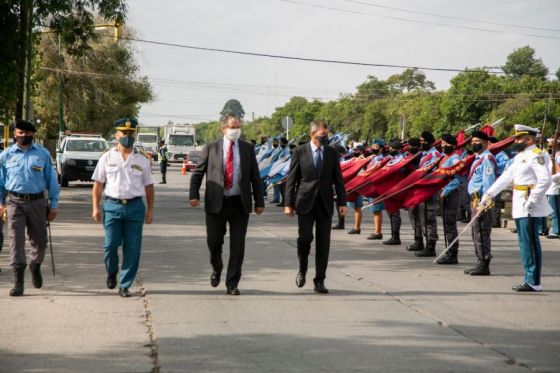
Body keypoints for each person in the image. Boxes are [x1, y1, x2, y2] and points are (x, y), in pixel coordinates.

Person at [189, 115, 264, 296]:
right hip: (216, 203)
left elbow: (255, 176)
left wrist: (259, 201)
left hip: (239, 204)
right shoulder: (211, 147)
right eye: (232, 127)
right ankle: (217, 267)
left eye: (238, 127)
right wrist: (194, 195)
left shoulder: (247, 148)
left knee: (238, 246)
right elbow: (198, 173)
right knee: (214, 242)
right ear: (224, 128)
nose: (235, 130)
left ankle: (232, 283)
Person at [480, 125, 551, 292]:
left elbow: (545, 180)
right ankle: (529, 277)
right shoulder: (520, 156)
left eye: (519, 138)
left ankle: (533, 281)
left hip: (529, 204)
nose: (516, 141)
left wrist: (532, 200)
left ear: (528, 139)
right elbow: (505, 178)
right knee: (524, 243)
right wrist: (488, 194)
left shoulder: (536, 155)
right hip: (520, 204)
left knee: (530, 243)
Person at [92, 118, 154, 298]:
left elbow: (149, 186)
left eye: (130, 133)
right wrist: (95, 207)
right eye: (123, 133)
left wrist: (150, 210)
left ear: (134, 134)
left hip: (135, 207)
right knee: (110, 245)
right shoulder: (107, 157)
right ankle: (112, 271)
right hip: (112, 206)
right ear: (116, 134)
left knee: (132, 248)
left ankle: (125, 284)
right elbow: (98, 184)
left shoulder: (142, 159)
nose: (127, 136)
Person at [285, 120, 346, 294]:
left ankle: (319, 280)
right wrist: (288, 203)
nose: (326, 138)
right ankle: (302, 269)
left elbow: (338, 179)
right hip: (305, 202)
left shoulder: (332, 153)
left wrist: (342, 202)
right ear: (313, 134)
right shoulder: (299, 151)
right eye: (323, 135)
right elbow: (292, 179)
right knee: (304, 239)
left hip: (325, 204)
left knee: (323, 243)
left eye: (327, 134)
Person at [0, 120, 60, 296]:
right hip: (14, 202)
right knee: (16, 241)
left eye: (27, 133)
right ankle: (18, 282)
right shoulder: (6, 155)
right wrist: (1, 204)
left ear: (32, 134)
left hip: (37, 202)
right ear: (15, 134)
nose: (23, 136)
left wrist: (54, 205)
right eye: (20, 133)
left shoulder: (42, 154)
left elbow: (52, 181)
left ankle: (35, 265)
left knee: (40, 242)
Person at [464, 130, 497, 276]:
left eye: (477, 141)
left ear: (486, 143)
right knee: (476, 232)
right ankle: (479, 261)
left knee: (482, 232)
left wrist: (484, 202)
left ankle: (484, 263)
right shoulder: (478, 157)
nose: (474, 143)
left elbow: (488, 182)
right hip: (474, 199)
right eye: (473, 141)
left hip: (481, 200)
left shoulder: (487, 159)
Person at [436, 134, 464, 265]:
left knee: (450, 223)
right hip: (443, 193)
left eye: (445, 144)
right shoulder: (444, 158)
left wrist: (446, 190)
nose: (443, 146)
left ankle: (453, 253)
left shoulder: (455, 159)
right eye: (442, 143)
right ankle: (449, 251)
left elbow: (458, 179)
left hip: (451, 194)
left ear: (452, 145)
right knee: (446, 223)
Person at [414, 131, 441, 257]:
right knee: (423, 217)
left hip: (430, 189)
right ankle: (426, 244)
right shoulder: (424, 154)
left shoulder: (435, 154)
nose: (421, 143)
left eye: (424, 142)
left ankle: (431, 246)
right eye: (420, 141)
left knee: (429, 218)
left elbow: (434, 173)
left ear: (430, 142)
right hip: (422, 189)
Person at [383, 139, 405, 245]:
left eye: (392, 148)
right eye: (390, 148)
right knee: (390, 212)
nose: (390, 149)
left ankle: (396, 236)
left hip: (395, 188)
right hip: (388, 188)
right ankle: (393, 235)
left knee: (394, 212)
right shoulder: (391, 158)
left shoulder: (401, 159)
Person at [405, 138, 424, 252]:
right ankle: (418, 240)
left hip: (419, 188)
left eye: (413, 146)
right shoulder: (408, 156)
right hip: (410, 189)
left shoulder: (421, 157)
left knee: (421, 216)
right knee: (413, 215)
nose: (410, 147)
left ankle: (423, 242)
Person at [366, 140, 386, 240]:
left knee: (377, 209)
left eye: (376, 146)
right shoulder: (373, 158)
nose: (373, 148)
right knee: (375, 210)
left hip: (376, 187)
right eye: (373, 146)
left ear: (381, 148)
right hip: (371, 186)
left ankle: (378, 232)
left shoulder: (381, 159)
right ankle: (377, 231)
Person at [546, 138, 560, 239]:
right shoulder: (553, 157)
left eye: (551, 145)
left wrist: (552, 178)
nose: (550, 147)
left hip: (555, 188)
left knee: (555, 211)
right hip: (551, 188)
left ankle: (556, 231)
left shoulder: (557, 158)